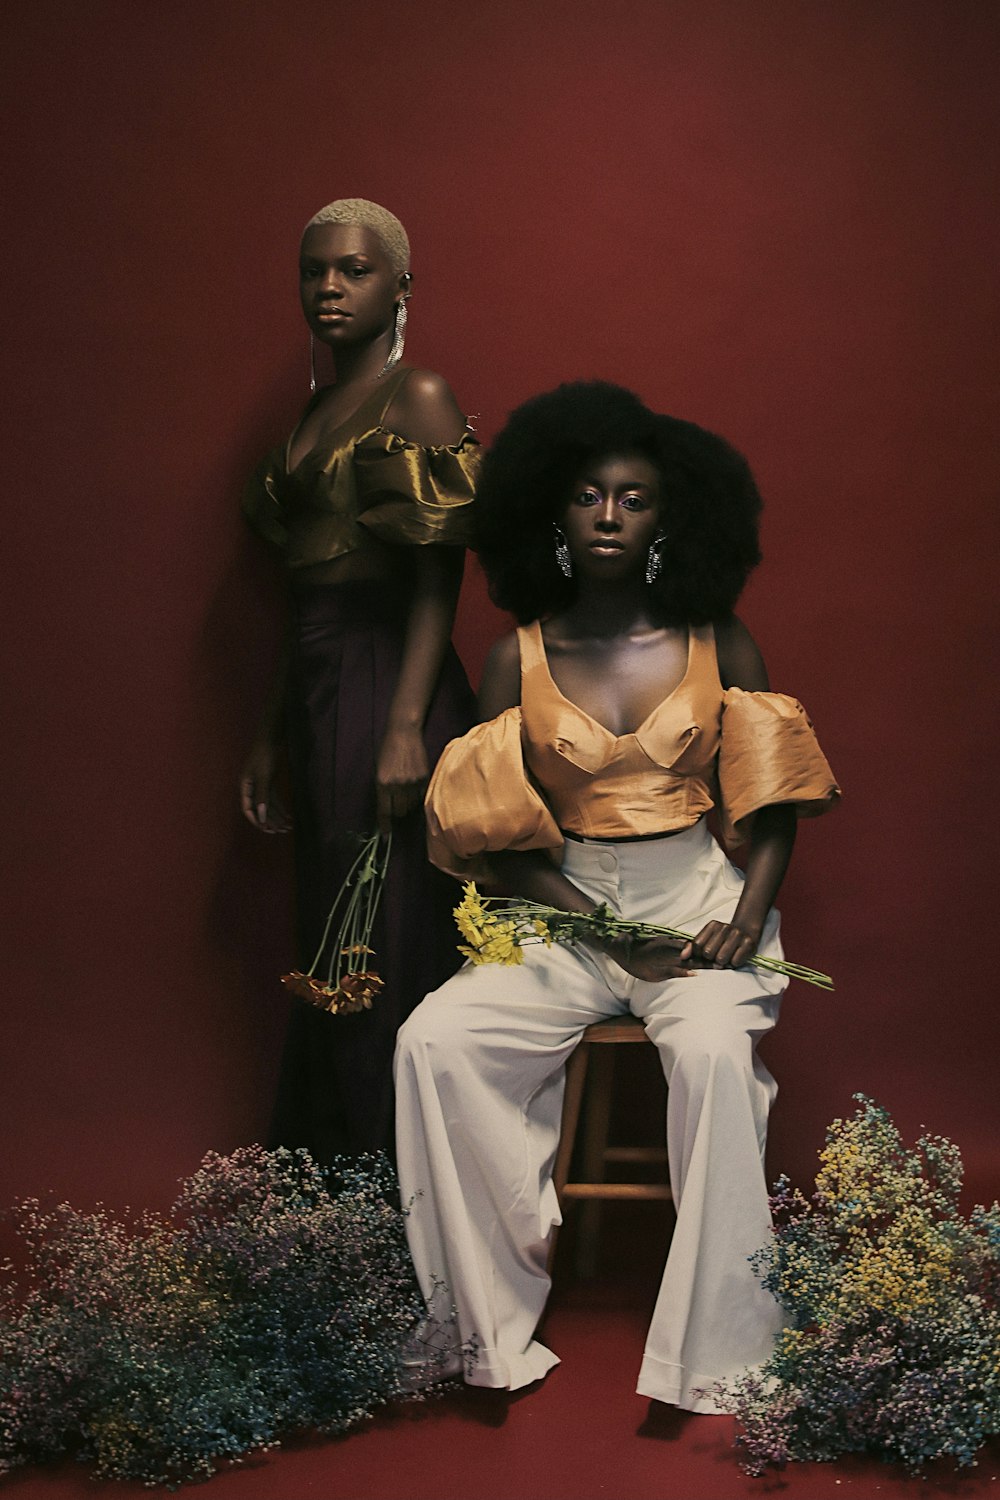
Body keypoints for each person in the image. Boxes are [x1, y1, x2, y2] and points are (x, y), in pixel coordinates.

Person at [394, 382, 840, 1409]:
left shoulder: (717, 640)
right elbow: (496, 844)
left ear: (667, 516)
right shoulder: (516, 657)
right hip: (561, 910)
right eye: (587, 494)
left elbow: (769, 807)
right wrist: (603, 931)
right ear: (551, 513)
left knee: (716, 1055)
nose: (607, 514)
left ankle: (720, 1357)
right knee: (434, 1041)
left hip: (697, 901)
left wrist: (739, 915)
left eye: (632, 498)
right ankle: (482, 1337)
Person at [241, 198, 479, 1161]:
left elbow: (439, 573)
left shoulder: (415, 394)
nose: (329, 288)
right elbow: (298, 597)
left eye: (353, 270)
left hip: (389, 680)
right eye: (314, 272)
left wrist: (405, 725)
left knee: (381, 943)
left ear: (400, 287)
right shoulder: (313, 409)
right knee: (328, 940)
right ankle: (329, 1208)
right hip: (318, 686)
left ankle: (398, 1215)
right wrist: (268, 731)